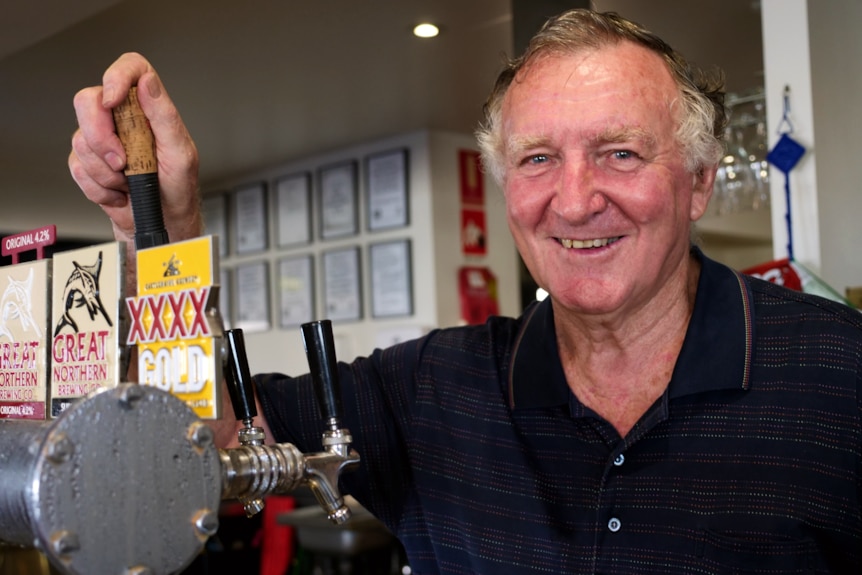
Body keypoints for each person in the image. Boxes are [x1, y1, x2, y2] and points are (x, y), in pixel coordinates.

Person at [69, 9, 861, 574]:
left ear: (696, 182)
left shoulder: (841, 372)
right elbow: (200, 440)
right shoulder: (429, 389)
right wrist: (158, 231)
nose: (576, 199)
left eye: (620, 153)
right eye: (538, 158)